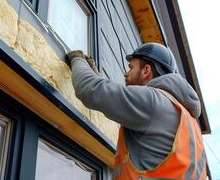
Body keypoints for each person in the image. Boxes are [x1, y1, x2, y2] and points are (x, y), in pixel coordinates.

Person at [66, 43, 207, 180]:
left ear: (146, 71)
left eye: (131, 67)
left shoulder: (152, 101)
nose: (126, 74)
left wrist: (77, 59)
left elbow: (89, 89)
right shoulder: (186, 119)